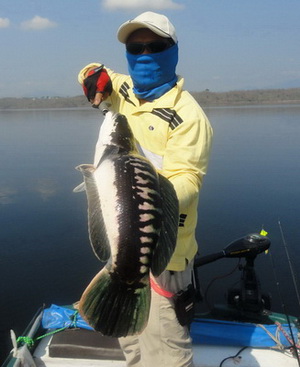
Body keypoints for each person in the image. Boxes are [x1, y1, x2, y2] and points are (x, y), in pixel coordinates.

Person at [78, 11, 213, 367]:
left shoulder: (188, 116)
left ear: (173, 51)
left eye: (155, 47)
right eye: (135, 49)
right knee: (132, 346)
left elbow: (188, 180)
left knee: (166, 352)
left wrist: (149, 192)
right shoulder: (123, 88)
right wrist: (95, 78)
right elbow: (92, 70)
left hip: (164, 254)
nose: (144, 55)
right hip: (120, 241)